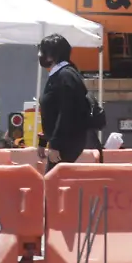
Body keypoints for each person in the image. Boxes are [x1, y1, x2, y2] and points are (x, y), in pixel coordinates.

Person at [38, 33, 92, 170]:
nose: (40, 55)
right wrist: (44, 141)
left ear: (52, 55)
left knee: (52, 183)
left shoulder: (65, 75)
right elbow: (52, 111)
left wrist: (55, 145)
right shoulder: (60, 74)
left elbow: (66, 112)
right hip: (64, 141)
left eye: (43, 51)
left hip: (66, 143)